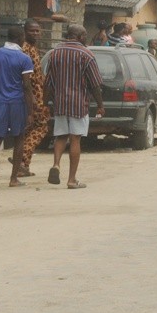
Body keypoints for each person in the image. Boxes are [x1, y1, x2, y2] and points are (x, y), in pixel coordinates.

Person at [44, 24, 104, 190]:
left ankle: (56, 164)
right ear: (81, 37)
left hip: (60, 103)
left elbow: (48, 83)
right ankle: (71, 179)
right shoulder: (87, 55)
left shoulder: (55, 54)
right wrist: (100, 105)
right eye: (84, 35)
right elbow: (95, 85)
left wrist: (45, 104)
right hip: (79, 104)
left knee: (61, 136)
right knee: (75, 138)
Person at [0, 25, 35, 189]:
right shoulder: (24, 59)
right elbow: (26, 86)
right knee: (19, 138)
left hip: (0, 101)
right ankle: (13, 179)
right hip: (18, 102)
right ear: (21, 38)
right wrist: (31, 111)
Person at [19, 20, 50, 178]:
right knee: (41, 128)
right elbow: (28, 80)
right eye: (32, 31)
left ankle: (23, 165)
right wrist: (34, 100)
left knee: (30, 130)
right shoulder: (25, 50)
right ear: (25, 31)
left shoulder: (32, 48)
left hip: (38, 94)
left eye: (38, 31)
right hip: (33, 97)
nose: (36, 34)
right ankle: (22, 160)